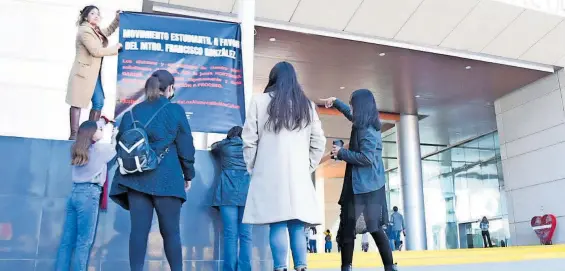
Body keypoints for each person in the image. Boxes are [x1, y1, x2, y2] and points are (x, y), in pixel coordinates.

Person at [242, 61, 326, 271]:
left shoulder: (259, 102)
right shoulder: (306, 106)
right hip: (297, 174)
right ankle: (301, 267)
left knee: (277, 222)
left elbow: (249, 140)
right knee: (297, 224)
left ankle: (280, 268)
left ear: (273, 78)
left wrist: (253, 167)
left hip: (269, 173)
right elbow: (319, 141)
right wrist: (308, 166)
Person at [110, 70, 196, 271]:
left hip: (136, 181)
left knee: (138, 232)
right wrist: (188, 173)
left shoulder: (131, 112)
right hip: (167, 179)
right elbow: (186, 146)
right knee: (171, 233)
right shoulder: (175, 110)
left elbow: (120, 145)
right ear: (170, 88)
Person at [321, 90, 397, 271]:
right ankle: (356, 266)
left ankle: (387, 266)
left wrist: (341, 153)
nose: (351, 107)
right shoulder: (363, 122)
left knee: (368, 228)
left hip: (365, 188)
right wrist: (336, 102)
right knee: (360, 228)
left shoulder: (367, 131)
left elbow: (366, 158)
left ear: (360, 107)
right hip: (365, 184)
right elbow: (350, 114)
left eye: (353, 104)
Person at [55, 120, 117, 271]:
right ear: (92, 134)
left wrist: (101, 122)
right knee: (84, 242)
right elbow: (114, 150)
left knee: (67, 242)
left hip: (74, 194)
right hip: (89, 195)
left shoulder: (76, 149)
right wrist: (114, 134)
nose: (102, 131)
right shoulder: (101, 150)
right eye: (100, 129)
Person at [66, 5, 123, 140]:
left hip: (93, 75)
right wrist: (115, 49)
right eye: (93, 13)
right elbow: (96, 51)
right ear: (86, 17)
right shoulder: (85, 31)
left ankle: (89, 134)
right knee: (77, 103)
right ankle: (74, 136)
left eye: (98, 14)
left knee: (99, 102)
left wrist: (117, 19)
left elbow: (108, 31)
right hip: (83, 74)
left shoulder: (94, 31)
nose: (96, 16)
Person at [210, 126, 252, 271]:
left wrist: (225, 140)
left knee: (230, 235)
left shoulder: (224, 146)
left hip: (227, 194)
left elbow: (212, 147)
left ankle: (229, 269)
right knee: (246, 236)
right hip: (247, 195)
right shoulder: (250, 147)